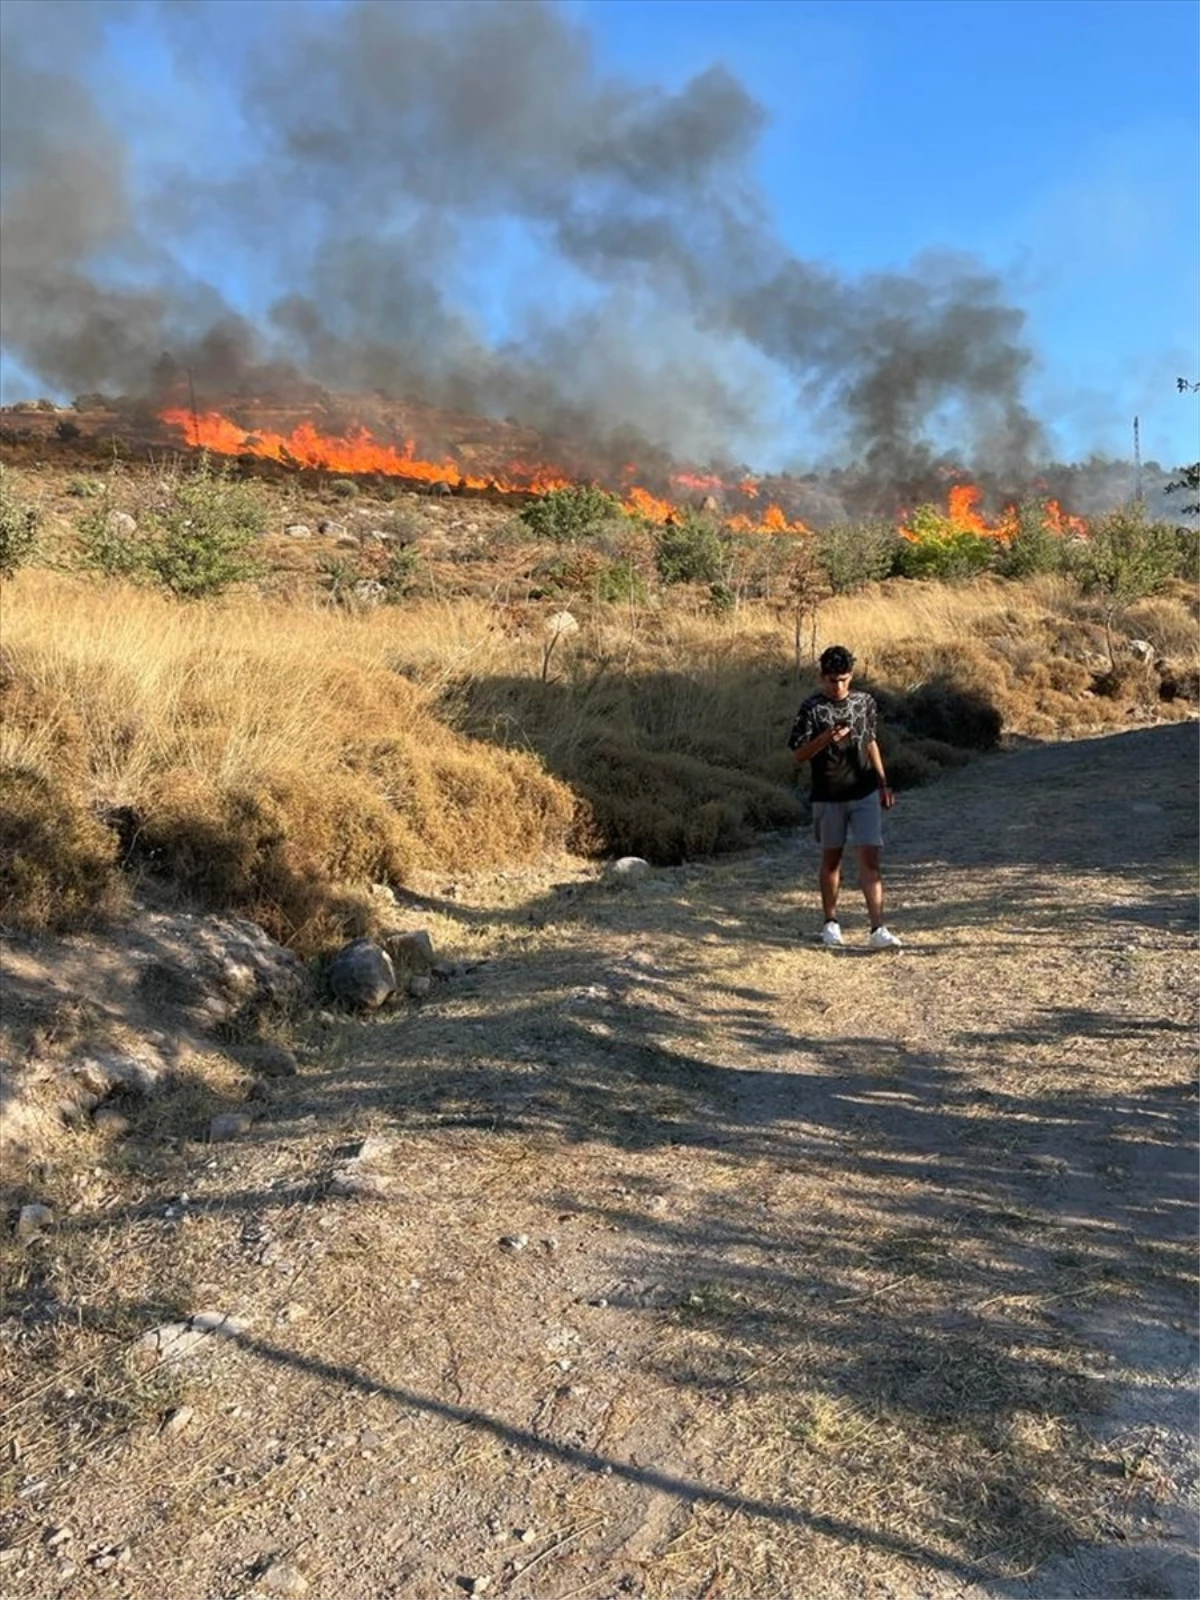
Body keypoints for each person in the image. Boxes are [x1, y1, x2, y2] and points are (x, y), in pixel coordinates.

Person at [788, 644, 901, 949]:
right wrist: (824, 738)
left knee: (870, 858)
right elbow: (798, 753)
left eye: (843, 679)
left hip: (863, 791)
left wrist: (883, 782)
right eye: (831, 680)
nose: (838, 686)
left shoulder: (864, 702)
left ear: (851, 676)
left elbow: (871, 741)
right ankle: (831, 922)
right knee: (832, 860)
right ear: (822, 677)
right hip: (828, 795)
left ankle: (878, 927)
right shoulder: (812, 708)